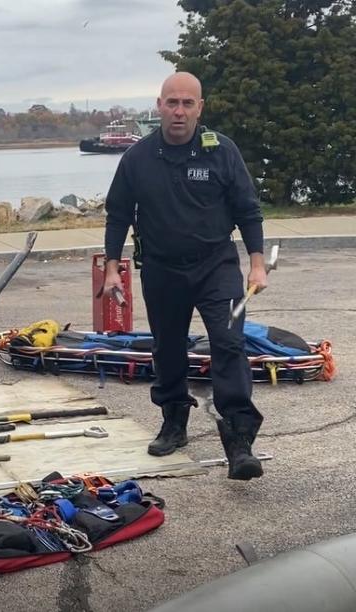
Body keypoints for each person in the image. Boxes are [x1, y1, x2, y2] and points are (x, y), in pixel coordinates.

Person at [102, 72, 266, 481]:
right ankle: (174, 422)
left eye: (187, 104)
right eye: (171, 103)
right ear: (159, 106)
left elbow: (248, 210)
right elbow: (119, 214)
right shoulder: (137, 158)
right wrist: (111, 269)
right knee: (168, 348)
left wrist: (258, 263)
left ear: (200, 108)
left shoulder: (221, 152)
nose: (179, 111)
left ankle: (239, 440)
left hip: (217, 266)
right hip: (161, 269)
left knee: (228, 342)